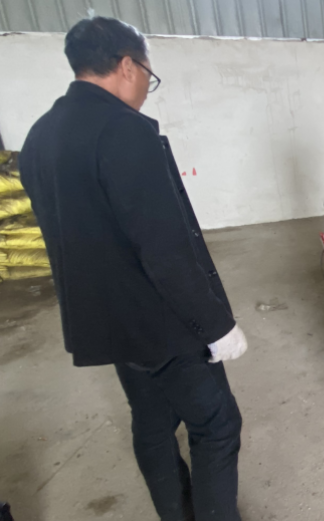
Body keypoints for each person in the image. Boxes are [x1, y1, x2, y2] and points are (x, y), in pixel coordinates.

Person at [19, 17, 247, 520]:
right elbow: (164, 248)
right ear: (127, 65)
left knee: (152, 423)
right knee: (217, 426)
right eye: (149, 74)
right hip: (162, 324)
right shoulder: (124, 130)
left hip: (110, 325)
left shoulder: (40, 136)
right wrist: (216, 326)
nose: (146, 86)